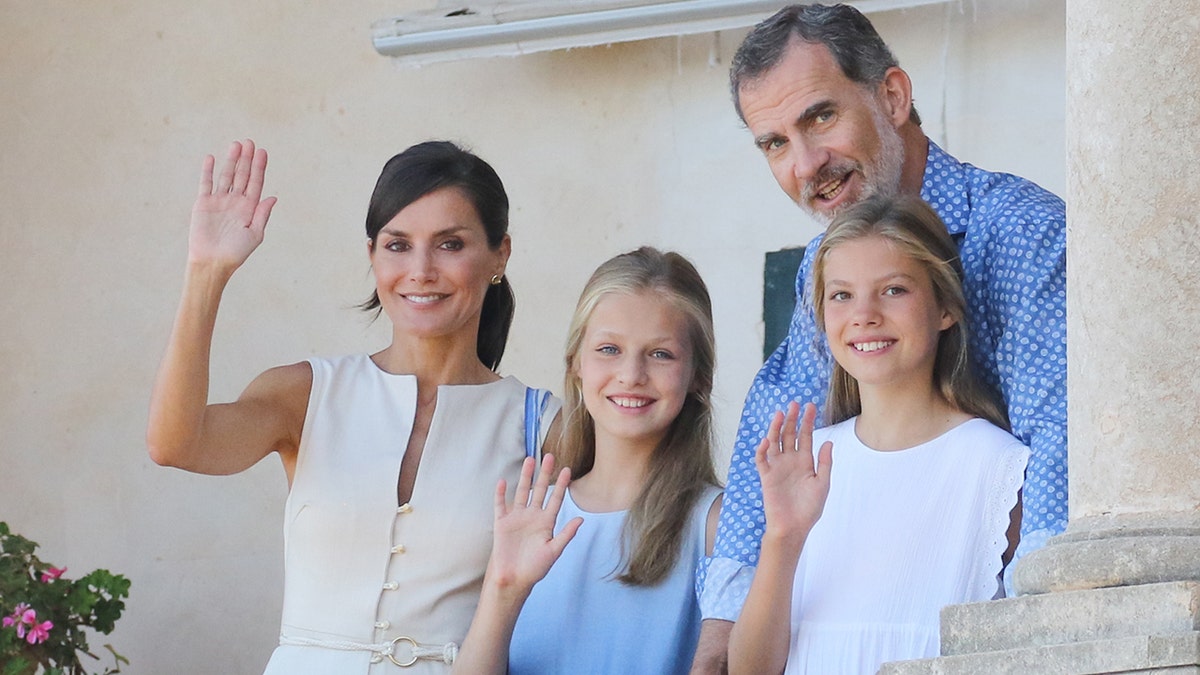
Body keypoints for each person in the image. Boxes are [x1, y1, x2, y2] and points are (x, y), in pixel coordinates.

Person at [696, 4, 1067, 665]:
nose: (807, 164)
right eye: (774, 143)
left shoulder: (1023, 231)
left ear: (893, 97)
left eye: (820, 117)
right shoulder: (819, 261)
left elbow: (1056, 453)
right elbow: (779, 425)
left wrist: (1040, 646)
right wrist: (721, 626)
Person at [146, 139, 561, 673]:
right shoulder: (306, 393)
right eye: (397, 245)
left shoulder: (541, 424)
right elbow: (175, 444)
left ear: (499, 255)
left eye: (450, 244)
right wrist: (207, 271)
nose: (421, 269)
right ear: (372, 254)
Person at [728, 195, 1028, 674]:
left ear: (945, 307)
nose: (863, 314)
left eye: (893, 290)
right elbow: (751, 669)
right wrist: (783, 536)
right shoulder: (810, 466)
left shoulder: (996, 467)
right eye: (841, 295)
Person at [450, 247, 724, 675]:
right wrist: (503, 591)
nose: (631, 374)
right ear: (576, 362)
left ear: (699, 376)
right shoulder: (534, 515)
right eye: (609, 349)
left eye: (660, 354)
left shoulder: (714, 524)